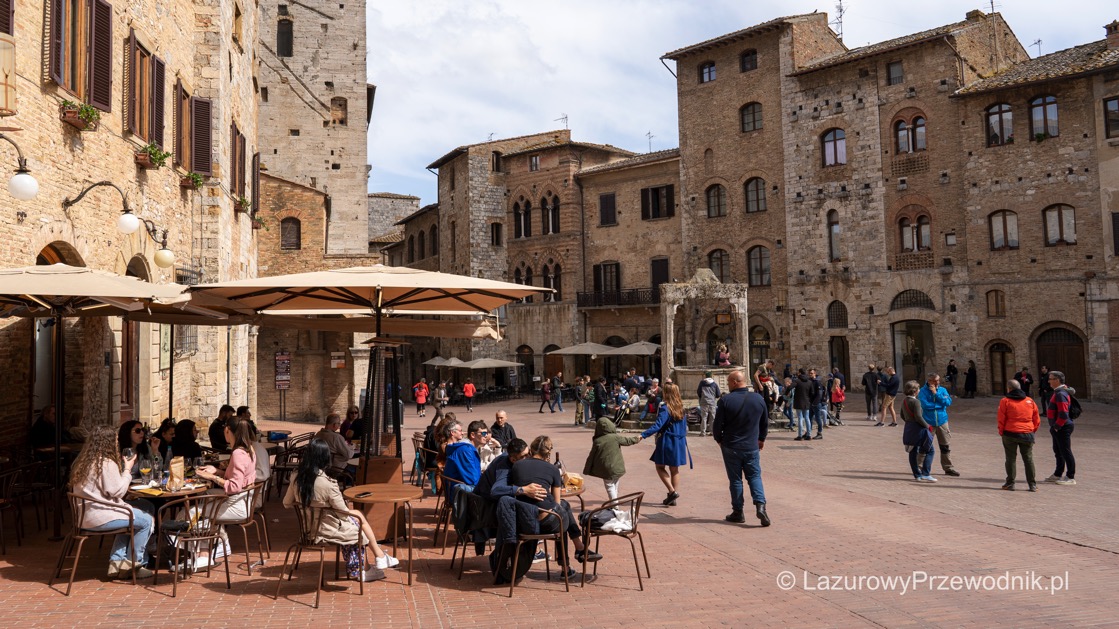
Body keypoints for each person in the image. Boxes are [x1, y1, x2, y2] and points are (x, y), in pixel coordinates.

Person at [283, 438, 398, 582]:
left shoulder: (296, 477)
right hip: (326, 530)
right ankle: (370, 564)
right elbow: (342, 513)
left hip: (307, 529)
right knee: (358, 522)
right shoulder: (327, 483)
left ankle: (373, 562)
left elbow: (287, 503)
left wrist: (305, 503)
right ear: (325, 457)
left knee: (357, 518)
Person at [510, 436, 602, 578]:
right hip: (544, 522)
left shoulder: (517, 466)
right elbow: (556, 503)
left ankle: (576, 554)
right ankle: (575, 554)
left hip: (523, 520)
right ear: (548, 452)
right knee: (562, 510)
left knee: (562, 511)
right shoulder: (552, 469)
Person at [70, 427, 155, 578]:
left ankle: (116, 563)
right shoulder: (106, 463)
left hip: (84, 517)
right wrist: (127, 470)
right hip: (100, 517)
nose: (117, 443)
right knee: (146, 520)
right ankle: (133, 565)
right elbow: (118, 492)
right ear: (109, 442)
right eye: (115, 440)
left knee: (132, 518)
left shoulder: (84, 461)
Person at [712, 370, 769, 526]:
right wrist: (761, 439)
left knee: (736, 480)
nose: (728, 384)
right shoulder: (758, 399)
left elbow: (717, 425)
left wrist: (719, 439)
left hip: (731, 445)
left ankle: (738, 511)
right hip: (751, 445)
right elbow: (765, 422)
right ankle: (761, 506)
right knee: (755, 476)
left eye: (729, 382)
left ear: (735, 382)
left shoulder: (725, 400)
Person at [196, 416, 258, 556]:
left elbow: (235, 486)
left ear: (227, 429)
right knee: (206, 498)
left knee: (193, 513)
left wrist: (212, 477)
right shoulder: (249, 449)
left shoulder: (238, 453)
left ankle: (205, 551)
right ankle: (218, 543)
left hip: (237, 506)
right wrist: (217, 471)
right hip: (243, 502)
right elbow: (240, 479)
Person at [640, 382, 690, 507]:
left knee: (660, 467)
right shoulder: (681, 408)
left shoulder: (665, 408)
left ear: (666, 393)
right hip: (679, 440)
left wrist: (643, 435)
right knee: (674, 469)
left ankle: (672, 492)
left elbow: (658, 425)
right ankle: (673, 497)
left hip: (667, 440)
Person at [583, 417, 642, 500]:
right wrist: (637, 438)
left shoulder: (598, 441)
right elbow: (627, 441)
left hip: (605, 469)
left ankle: (615, 506)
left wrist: (587, 469)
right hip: (617, 467)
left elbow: (591, 456)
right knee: (615, 485)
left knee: (609, 486)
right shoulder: (615, 437)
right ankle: (614, 503)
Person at [998, 379, 1040, 491]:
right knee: (1028, 459)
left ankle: (1010, 483)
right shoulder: (1030, 401)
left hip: (1010, 432)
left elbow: (1001, 418)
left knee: (1010, 459)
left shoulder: (1005, 401)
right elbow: (1036, 418)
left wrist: (1001, 431)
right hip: (1027, 433)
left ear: (1009, 388)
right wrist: (1032, 429)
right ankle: (1032, 484)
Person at [917, 373, 959, 477]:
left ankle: (948, 467)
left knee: (945, 446)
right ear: (929, 381)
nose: (937, 383)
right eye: (935, 381)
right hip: (929, 422)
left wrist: (936, 394)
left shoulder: (942, 390)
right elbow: (925, 405)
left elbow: (948, 402)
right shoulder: (922, 391)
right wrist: (939, 405)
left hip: (942, 421)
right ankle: (919, 466)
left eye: (938, 380)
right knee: (925, 446)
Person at [1044, 370, 1077, 486]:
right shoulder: (1059, 392)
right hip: (1058, 426)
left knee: (1065, 451)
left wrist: (1057, 426)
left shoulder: (1060, 394)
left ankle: (1070, 476)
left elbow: (1063, 413)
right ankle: (1058, 474)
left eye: (1051, 379)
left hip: (1062, 426)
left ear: (1057, 380)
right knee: (1058, 451)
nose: (1049, 381)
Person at [900, 380, 936, 483]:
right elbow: (919, 417)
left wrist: (909, 422)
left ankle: (917, 474)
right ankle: (926, 473)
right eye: (918, 389)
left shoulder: (904, 401)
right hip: (919, 429)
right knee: (930, 449)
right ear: (915, 391)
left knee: (912, 451)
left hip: (909, 427)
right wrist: (927, 426)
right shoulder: (916, 402)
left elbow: (902, 415)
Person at [442, 419, 481, 495]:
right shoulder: (463, 450)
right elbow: (472, 479)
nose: (462, 433)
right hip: (460, 492)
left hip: (453, 488)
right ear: (452, 432)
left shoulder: (451, 448)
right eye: (460, 431)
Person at [696, 371, 721, 437]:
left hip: (704, 402)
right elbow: (718, 394)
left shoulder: (702, 383)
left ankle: (703, 432)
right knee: (712, 418)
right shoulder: (714, 384)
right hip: (712, 402)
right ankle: (712, 432)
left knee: (704, 417)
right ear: (711, 376)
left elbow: (698, 392)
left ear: (705, 376)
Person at [792, 369, 814, 441]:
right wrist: (809, 399)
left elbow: (790, 387)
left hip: (799, 402)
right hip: (807, 402)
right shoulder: (809, 382)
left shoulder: (797, 381)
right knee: (807, 418)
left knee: (800, 418)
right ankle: (809, 435)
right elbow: (812, 393)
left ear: (800, 373)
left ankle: (800, 435)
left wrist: (785, 394)